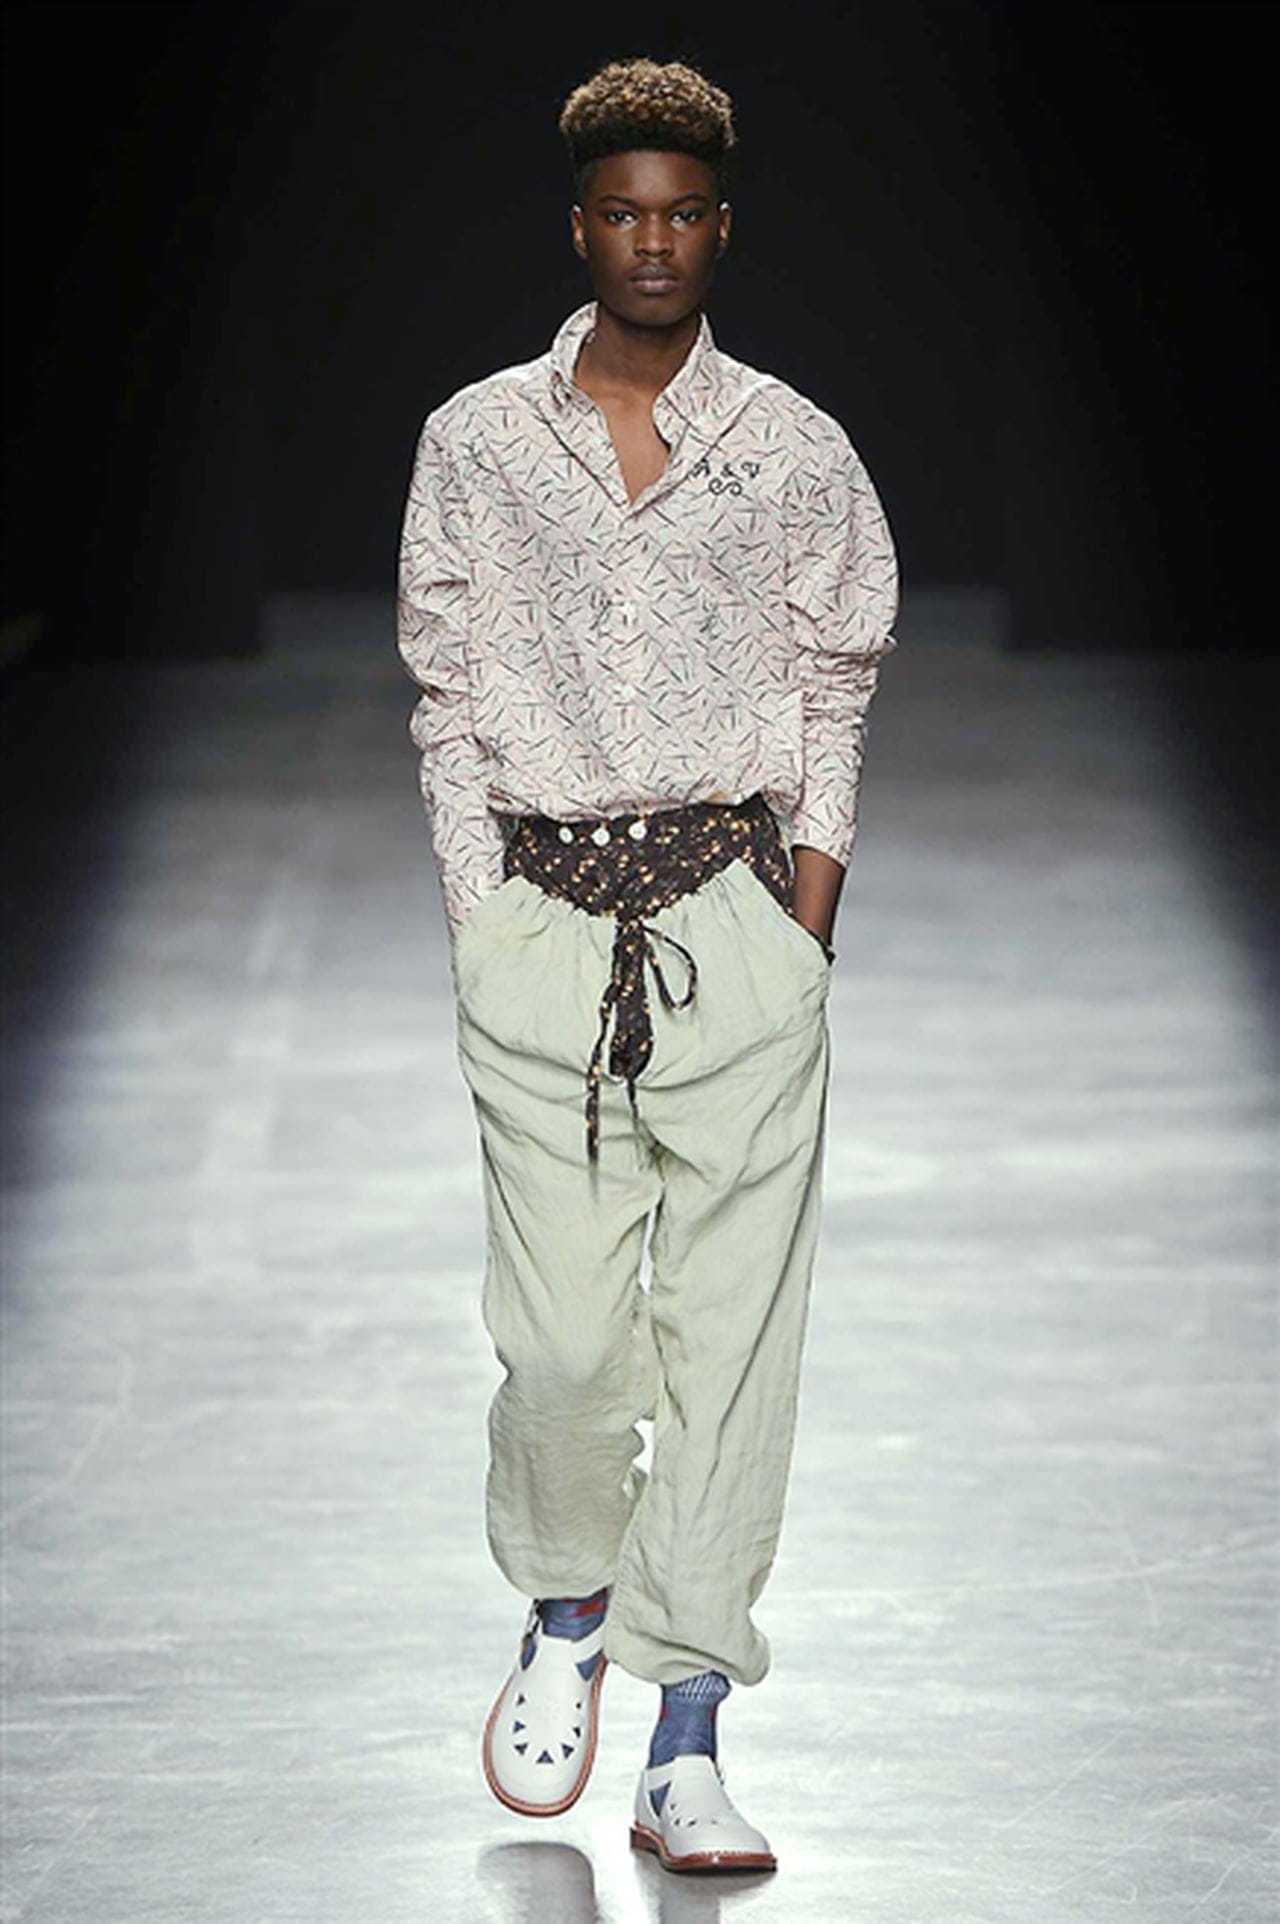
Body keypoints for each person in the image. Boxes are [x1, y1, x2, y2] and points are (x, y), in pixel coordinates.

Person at [397, 55, 897, 1876]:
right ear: (582, 227)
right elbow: (446, 691)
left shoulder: (796, 448)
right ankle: (567, 1606)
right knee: (559, 1345)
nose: (654, 242)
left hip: (733, 928)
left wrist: (805, 919)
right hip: (541, 929)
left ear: (722, 229)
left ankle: (688, 1735)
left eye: (682, 214)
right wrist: (481, 914)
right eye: (624, 212)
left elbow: (835, 678)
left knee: (735, 1346)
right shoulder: (475, 442)